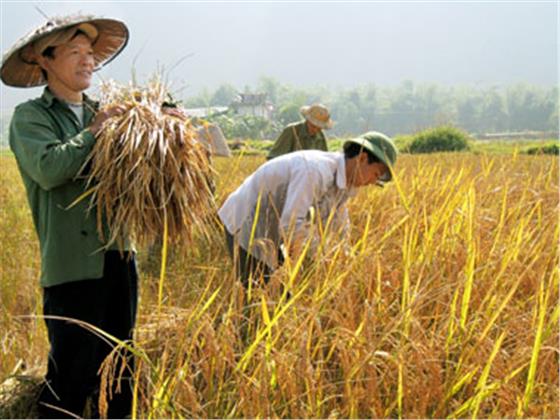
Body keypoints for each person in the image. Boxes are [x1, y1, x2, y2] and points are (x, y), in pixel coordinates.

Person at [2, 15, 135, 418]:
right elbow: (49, 168)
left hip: (119, 258)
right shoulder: (32, 118)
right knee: (70, 380)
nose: (87, 61)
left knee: (120, 372)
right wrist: (94, 132)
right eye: (75, 52)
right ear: (44, 60)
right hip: (72, 268)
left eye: (90, 54)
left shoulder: (110, 115)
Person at [219, 131, 398, 287]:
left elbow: (340, 226)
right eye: (376, 174)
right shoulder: (314, 171)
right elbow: (291, 224)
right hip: (245, 223)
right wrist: (318, 260)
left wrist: (345, 259)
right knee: (257, 296)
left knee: (282, 292)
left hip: (273, 231)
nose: (373, 182)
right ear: (362, 158)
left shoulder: (345, 186)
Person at [266, 103, 333, 160]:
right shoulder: (292, 131)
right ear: (307, 121)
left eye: (319, 128)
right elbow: (273, 158)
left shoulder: (321, 137)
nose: (315, 130)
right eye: (313, 126)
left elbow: (324, 160)